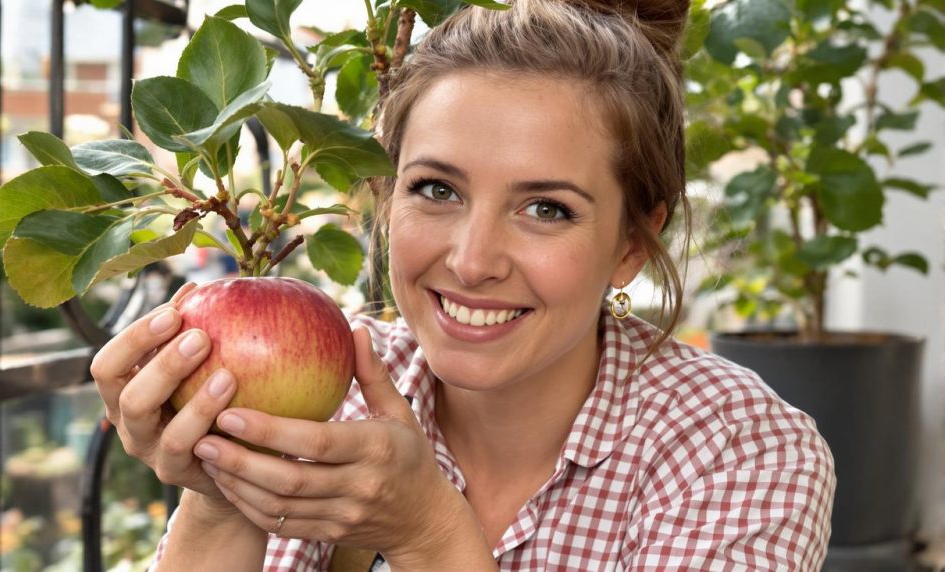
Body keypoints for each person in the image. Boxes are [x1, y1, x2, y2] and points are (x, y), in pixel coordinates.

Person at [89, 0, 836, 569]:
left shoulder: (740, 453)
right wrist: (220, 499)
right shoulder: (329, 394)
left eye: (546, 209)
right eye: (437, 190)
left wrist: (428, 533)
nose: (474, 260)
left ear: (631, 246)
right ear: (386, 196)